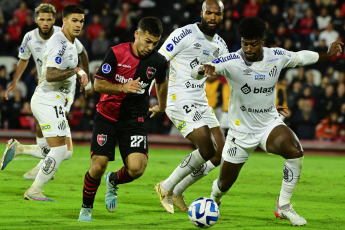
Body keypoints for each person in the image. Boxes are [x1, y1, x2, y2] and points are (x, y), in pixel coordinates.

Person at [191, 17, 343, 226]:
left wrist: (328, 54)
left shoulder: (276, 56)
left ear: (262, 41)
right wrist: (202, 70)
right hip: (240, 133)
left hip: (268, 124)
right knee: (224, 183)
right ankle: (214, 200)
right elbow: (199, 70)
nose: (249, 48)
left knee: (295, 151)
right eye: (245, 43)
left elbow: (302, 57)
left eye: (253, 43)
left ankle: (283, 205)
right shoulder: (231, 61)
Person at [78, 16, 168, 222]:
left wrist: (162, 107)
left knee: (137, 168)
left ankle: (113, 180)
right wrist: (122, 87)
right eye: (147, 41)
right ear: (137, 34)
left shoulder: (158, 62)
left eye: (155, 43)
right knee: (98, 165)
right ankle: (86, 209)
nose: (150, 47)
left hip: (133, 120)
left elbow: (162, 82)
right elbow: (98, 85)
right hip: (106, 117)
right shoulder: (117, 53)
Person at [154, 0, 228, 214]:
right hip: (179, 98)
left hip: (200, 100)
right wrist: (155, 98)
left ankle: (178, 190)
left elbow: (229, 72)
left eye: (217, 14)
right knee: (207, 148)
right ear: (202, 13)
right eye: (209, 13)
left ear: (223, 16)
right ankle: (165, 187)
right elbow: (159, 61)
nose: (212, 18)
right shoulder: (184, 33)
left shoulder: (220, 45)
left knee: (218, 154)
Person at [1, 3, 89, 180]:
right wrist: (14, 81)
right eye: (42, 19)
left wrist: (85, 79)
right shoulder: (29, 38)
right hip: (46, 86)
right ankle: (45, 163)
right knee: (49, 136)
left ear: (55, 20)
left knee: (60, 144)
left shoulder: (64, 33)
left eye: (49, 19)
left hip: (63, 90)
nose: (46, 22)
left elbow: (83, 53)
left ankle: (43, 163)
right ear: (36, 20)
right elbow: (24, 60)